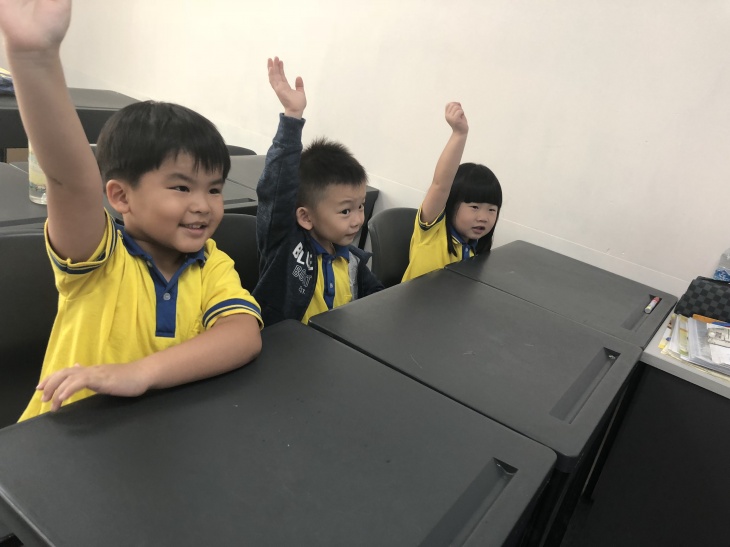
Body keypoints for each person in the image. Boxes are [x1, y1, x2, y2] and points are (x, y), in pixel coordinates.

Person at [0, 0, 263, 421]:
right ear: (121, 197)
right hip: (65, 435)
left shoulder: (210, 263)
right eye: (181, 187)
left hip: (159, 433)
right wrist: (34, 58)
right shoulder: (98, 257)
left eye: (215, 189)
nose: (203, 205)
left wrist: (141, 373)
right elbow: (70, 181)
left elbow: (244, 335)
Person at [253, 57, 383, 326]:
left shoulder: (352, 261)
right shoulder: (286, 244)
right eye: (345, 211)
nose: (358, 219)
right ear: (305, 216)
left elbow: (379, 303)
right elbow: (276, 191)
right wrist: (292, 118)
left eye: (360, 206)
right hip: (286, 348)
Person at [402, 102, 502, 282]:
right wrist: (459, 134)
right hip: (415, 300)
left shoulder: (474, 248)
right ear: (452, 202)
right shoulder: (432, 233)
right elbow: (440, 185)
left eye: (491, 210)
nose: (483, 217)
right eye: (474, 207)